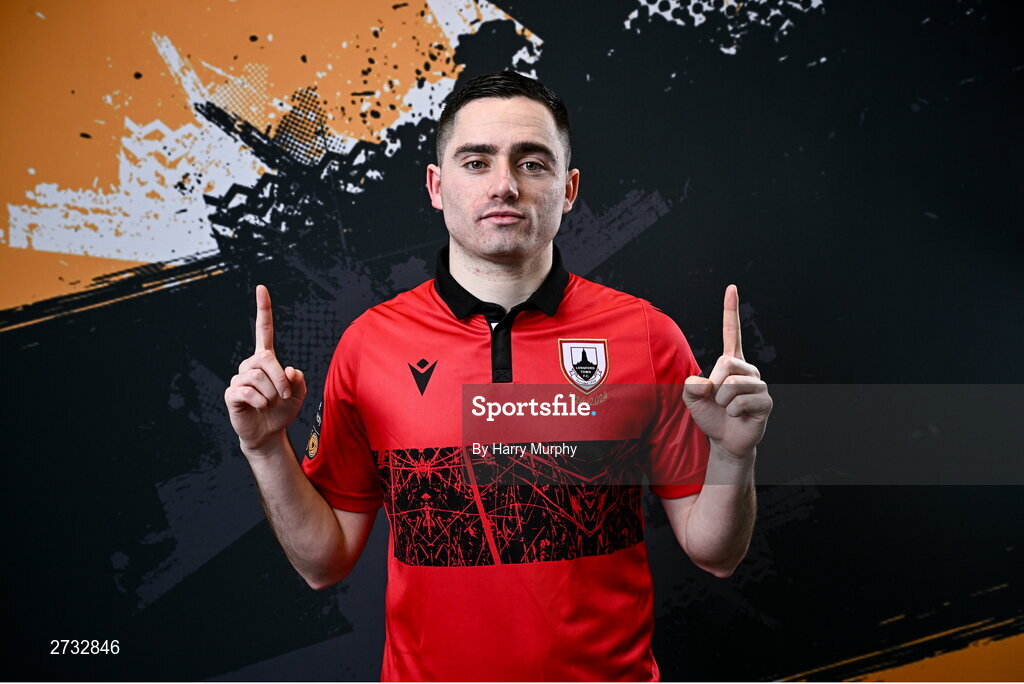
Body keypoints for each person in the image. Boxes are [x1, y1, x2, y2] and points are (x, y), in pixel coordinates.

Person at [224, 71, 772, 681]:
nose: (505, 185)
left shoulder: (646, 337)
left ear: (569, 189)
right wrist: (264, 447)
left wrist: (731, 455)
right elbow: (323, 562)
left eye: (533, 163)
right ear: (437, 185)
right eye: (477, 161)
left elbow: (715, 553)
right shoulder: (369, 346)